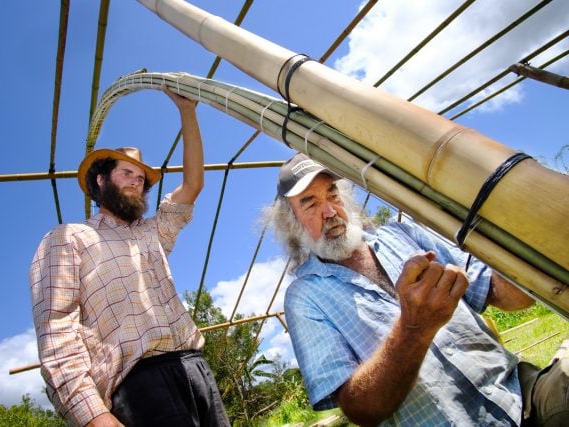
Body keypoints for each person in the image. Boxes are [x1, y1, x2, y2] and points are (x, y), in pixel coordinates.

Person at [264, 152, 568, 426]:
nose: (330, 211)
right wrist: (413, 328)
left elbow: (497, 290)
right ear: (292, 223)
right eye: (310, 204)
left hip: (519, 392)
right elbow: (360, 410)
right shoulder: (305, 296)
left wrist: (541, 249)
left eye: (333, 195)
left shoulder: (401, 234)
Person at [30, 88, 230, 427]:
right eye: (127, 173)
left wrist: (188, 113)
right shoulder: (69, 238)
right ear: (100, 179)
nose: (137, 182)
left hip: (195, 368)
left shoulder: (152, 233)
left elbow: (193, 185)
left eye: (141, 178)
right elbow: (57, 330)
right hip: (138, 388)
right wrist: (94, 418)